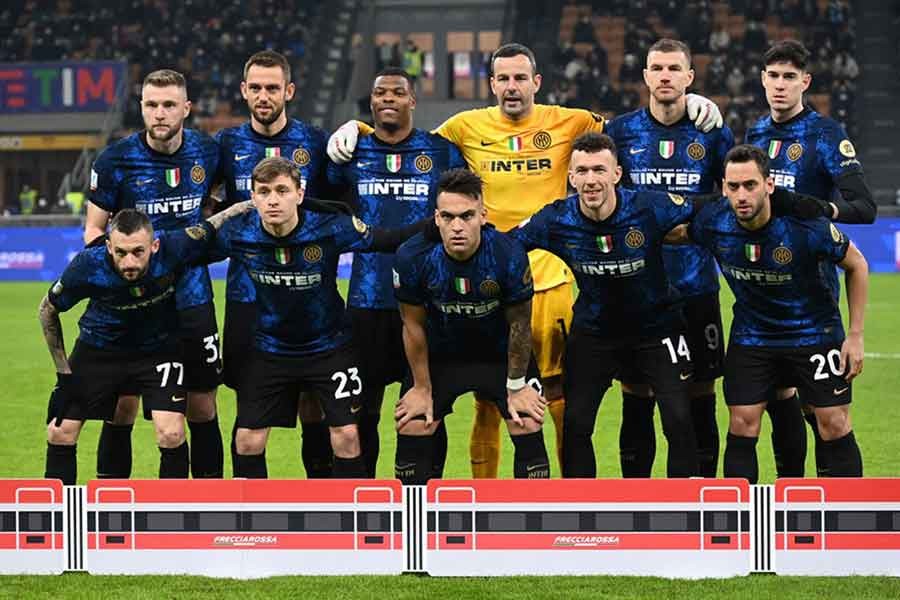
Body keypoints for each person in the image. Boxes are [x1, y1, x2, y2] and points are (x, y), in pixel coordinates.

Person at [328, 42, 724, 479]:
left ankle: (563, 493)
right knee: (489, 400)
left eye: (520, 77)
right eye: (503, 78)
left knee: (555, 396)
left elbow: (627, 131)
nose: (512, 86)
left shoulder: (570, 121)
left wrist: (687, 105)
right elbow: (405, 139)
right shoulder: (464, 126)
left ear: (536, 82)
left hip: (552, 281)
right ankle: (484, 496)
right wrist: (359, 129)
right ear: (492, 84)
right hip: (491, 280)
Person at [199, 156, 427, 479]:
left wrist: (437, 226)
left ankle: (348, 509)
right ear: (252, 198)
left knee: (347, 437)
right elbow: (186, 250)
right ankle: (253, 512)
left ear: (300, 194)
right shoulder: (239, 233)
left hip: (329, 349)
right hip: (270, 350)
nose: (273, 200)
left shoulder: (330, 227)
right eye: (264, 192)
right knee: (247, 440)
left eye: (282, 190)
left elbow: (388, 239)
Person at [686, 144, 866, 482]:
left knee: (833, 422)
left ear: (769, 185)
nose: (742, 195)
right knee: (742, 421)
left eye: (750, 185)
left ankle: (845, 510)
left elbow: (857, 265)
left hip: (814, 332)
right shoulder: (713, 222)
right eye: (733, 186)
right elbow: (671, 232)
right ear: (723, 188)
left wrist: (855, 336)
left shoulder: (805, 225)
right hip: (752, 335)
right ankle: (740, 511)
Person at [40, 203, 251, 485]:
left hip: (158, 349)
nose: (129, 262)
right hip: (100, 348)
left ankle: (171, 510)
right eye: (120, 252)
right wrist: (63, 373)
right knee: (59, 430)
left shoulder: (175, 247)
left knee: (171, 433)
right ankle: (60, 510)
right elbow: (47, 310)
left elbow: (212, 224)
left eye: (138, 252)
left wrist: (248, 204)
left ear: (154, 246)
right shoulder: (87, 265)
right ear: (108, 247)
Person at [604, 38, 734, 478]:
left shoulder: (712, 133)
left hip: (696, 286)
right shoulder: (621, 132)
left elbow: (730, 198)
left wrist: (691, 228)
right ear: (644, 76)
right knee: (637, 394)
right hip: (637, 290)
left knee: (701, 395)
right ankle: (635, 497)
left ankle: (702, 495)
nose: (665, 76)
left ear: (689, 77)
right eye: (657, 68)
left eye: (674, 68)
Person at [85, 69, 224, 480]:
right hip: (136, 306)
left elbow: (217, 203)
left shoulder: (207, 151)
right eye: (151, 105)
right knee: (121, 407)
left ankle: (209, 504)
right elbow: (93, 231)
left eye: (168, 105)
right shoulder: (114, 160)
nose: (159, 113)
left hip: (192, 300)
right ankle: (113, 506)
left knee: (202, 405)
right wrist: (124, 276)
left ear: (187, 108)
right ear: (141, 107)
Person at [746, 39, 876, 478]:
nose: (780, 85)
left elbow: (865, 207)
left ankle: (839, 508)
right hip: (762, 299)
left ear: (805, 82)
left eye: (789, 77)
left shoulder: (825, 135)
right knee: (776, 403)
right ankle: (791, 494)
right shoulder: (755, 135)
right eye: (773, 76)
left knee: (827, 417)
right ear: (763, 80)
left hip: (812, 303)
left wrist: (821, 208)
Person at [327, 67, 466, 477]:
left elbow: (463, 208)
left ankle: (420, 496)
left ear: (412, 101)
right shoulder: (351, 152)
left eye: (398, 92)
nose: (388, 98)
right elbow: (324, 199)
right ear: (371, 102)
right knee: (361, 410)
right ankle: (364, 500)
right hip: (366, 302)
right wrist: (350, 129)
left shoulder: (440, 151)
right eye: (380, 92)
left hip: (425, 303)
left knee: (424, 408)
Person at [215, 50, 333, 479]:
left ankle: (322, 503)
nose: (264, 96)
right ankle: (248, 505)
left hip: (307, 295)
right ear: (244, 91)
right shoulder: (225, 144)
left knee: (313, 404)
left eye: (272, 87)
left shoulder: (316, 143)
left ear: (289, 91)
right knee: (249, 406)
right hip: (247, 295)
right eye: (256, 88)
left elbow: (336, 205)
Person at [393, 169, 549, 483]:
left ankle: (532, 512)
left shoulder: (508, 254)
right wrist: (421, 388)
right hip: (441, 356)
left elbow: (520, 324)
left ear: (483, 216)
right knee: (413, 421)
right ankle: (417, 512)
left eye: (466, 216)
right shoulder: (413, 256)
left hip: (498, 354)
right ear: (436, 218)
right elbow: (412, 324)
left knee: (527, 419)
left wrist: (517, 386)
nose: (457, 226)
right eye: (448, 217)